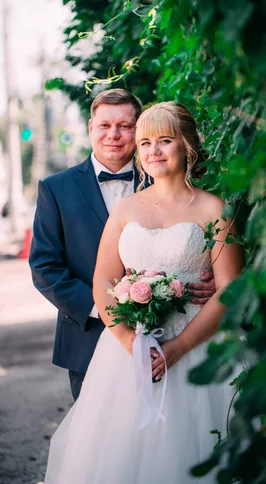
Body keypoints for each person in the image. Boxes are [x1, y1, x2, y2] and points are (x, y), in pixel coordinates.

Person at [43, 101, 244, 484]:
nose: (153, 150)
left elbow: (230, 289)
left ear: (187, 145)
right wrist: (126, 340)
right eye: (146, 142)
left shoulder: (215, 209)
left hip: (199, 345)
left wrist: (177, 348)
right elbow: (103, 281)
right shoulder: (125, 210)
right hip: (130, 352)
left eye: (165, 140)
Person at [29, 89, 216, 401]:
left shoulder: (163, 174)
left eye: (125, 126)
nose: (113, 134)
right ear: (90, 128)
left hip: (182, 330)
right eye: (104, 126)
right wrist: (111, 312)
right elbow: (44, 267)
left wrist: (206, 280)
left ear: (138, 128)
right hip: (87, 339)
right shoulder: (55, 189)